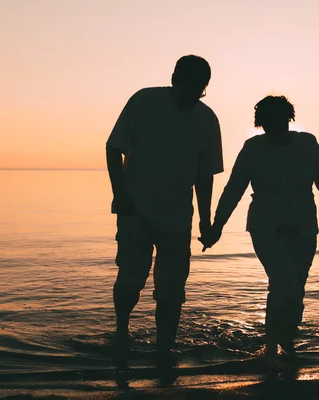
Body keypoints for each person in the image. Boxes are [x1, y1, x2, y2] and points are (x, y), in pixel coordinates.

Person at [199, 95, 319, 364]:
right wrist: (217, 226)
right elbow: (233, 190)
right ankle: (271, 348)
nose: (273, 128)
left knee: (296, 288)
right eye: (267, 123)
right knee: (284, 283)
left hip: (304, 226)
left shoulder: (307, 144)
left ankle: (287, 341)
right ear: (260, 123)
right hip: (266, 227)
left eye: (278, 121)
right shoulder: (252, 148)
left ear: (288, 118)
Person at [105, 55, 224, 366]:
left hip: (177, 219)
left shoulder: (207, 120)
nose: (193, 95)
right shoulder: (144, 101)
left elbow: (204, 175)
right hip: (136, 212)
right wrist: (120, 195)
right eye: (190, 88)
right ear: (175, 79)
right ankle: (121, 332)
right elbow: (113, 147)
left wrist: (206, 219)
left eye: (200, 90)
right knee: (131, 281)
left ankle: (164, 349)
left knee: (172, 290)